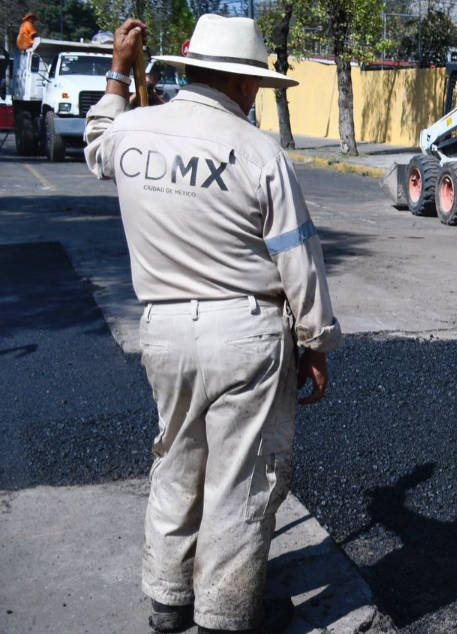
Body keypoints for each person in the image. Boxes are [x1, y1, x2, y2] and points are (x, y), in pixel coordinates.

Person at [84, 14, 340, 633]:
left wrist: (119, 70)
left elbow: (96, 139)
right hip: (244, 336)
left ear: (191, 68)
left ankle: (168, 599)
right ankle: (224, 615)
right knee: (240, 479)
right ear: (245, 85)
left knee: (176, 457)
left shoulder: (133, 131)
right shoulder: (259, 152)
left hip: (163, 332)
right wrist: (316, 342)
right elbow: (296, 259)